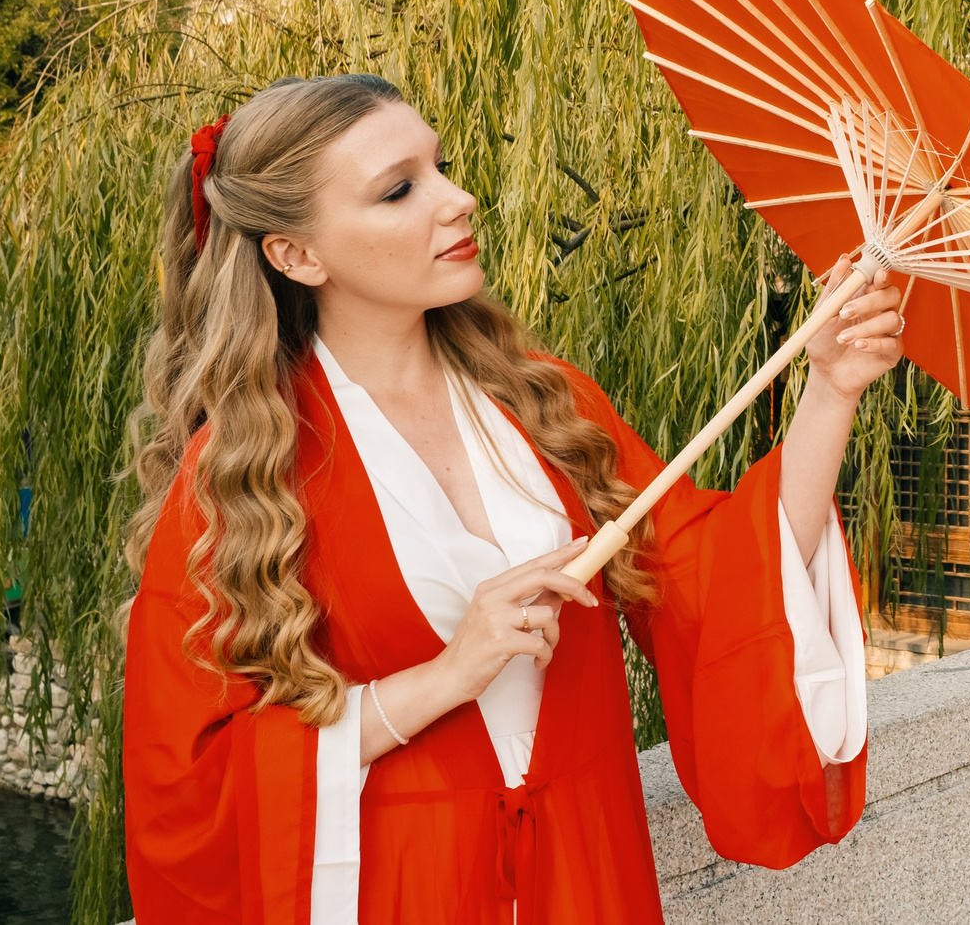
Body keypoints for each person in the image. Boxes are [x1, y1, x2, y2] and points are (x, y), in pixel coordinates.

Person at [122, 76, 905, 923]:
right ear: (297, 255)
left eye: (442, 166)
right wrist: (448, 674)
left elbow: (721, 579)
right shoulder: (240, 474)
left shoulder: (547, 403)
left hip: (584, 870)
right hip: (400, 889)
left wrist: (832, 387)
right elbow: (192, 785)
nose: (457, 199)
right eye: (400, 189)